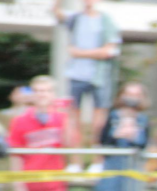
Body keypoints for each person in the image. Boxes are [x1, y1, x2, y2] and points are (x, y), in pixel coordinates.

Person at [52, 0, 122, 173]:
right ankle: (76, 162)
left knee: (99, 123)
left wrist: (79, 53)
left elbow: (109, 50)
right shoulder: (75, 18)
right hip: (76, 76)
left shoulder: (106, 21)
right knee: (73, 120)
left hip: (99, 77)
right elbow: (57, 13)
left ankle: (97, 161)